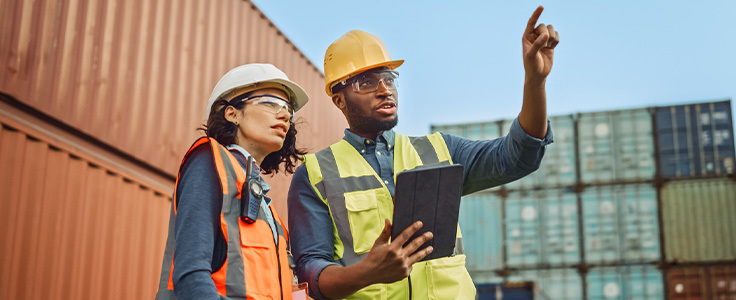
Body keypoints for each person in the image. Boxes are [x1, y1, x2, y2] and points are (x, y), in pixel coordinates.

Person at [288, 6, 559, 300]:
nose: (384, 89)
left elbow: (517, 158)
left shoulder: (440, 150)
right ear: (339, 100)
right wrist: (367, 272)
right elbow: (310, 274)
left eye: (389, 78)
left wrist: (535, 81)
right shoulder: (315, 174)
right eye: (366, 82)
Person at [155, 63, 309, 300]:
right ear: (232, 113)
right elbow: (191, 274)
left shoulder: (269, 212)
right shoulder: (209, 159)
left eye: (288, 108)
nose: (286, 114)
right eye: (270, 102)